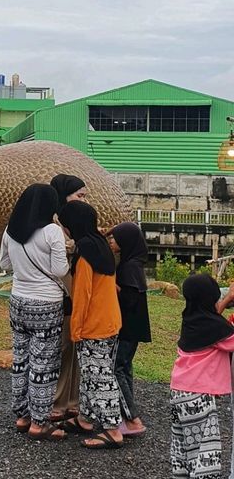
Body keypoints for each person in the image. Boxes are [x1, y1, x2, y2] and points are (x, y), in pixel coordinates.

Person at [0, 183, 69, 441]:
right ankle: (40, 423)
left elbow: (4, 264)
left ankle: (22, 416)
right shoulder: (52, 231)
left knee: (21, 359)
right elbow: (60, 270)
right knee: (44, 363)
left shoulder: (11, 230)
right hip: (46, 304)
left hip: (18, 301)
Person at [58, 200, 123, 449]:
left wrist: (76, 330)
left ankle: (112, 429)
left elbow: (81, 296)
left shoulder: (85, 255)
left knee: (100, 376)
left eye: (65, 225)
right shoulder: (100, 246)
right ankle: (85, 418)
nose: (64, 230)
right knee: (90, 374)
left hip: (93, 325)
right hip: (109, 321)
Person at [170, 274, 234, 479]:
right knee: (205, 451)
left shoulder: (191, 319)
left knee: (184, 447)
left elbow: (213, 315)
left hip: (180, 393)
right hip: (199, 399)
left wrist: (226, 299)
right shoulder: (216, 328)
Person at [48, 174, 87, 421]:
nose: (83, 201)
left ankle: (73, 399)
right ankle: (57, 401)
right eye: (79, 196)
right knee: (61, 348)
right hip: (60, 292)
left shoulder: (77, 221)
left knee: (74, 346)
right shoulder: (53, 226)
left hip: (77, 293)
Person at [107, 222, 151, 437]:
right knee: (124, 368)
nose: (111, 241)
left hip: (127, 327)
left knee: (116, 369)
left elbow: (129, 299)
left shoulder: (130, 267)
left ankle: (133, 418)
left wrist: (109, 282)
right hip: (132, 328)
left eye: (114, 238)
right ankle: (127, 414)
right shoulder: (134, 263)